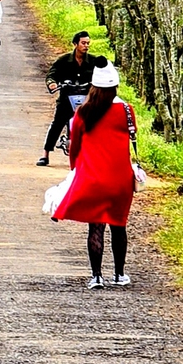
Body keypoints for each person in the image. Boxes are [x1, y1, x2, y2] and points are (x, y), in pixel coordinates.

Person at [51, 60, 137, 288]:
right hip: (120, 179)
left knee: (95, 228)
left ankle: (97, 276)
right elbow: (131, 136)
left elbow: (75, 147)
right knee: (119, 225)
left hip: (92, 178)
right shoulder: (127, 110)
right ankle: (119, 275)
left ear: (93, 86)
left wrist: (75, 171)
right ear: (115, 86)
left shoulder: (82, 113)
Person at [39, 30, 101, 166]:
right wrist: (52, 83)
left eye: (88, 43)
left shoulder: (93, 61)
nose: (86, 46)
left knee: (93, 125)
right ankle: (45, 154)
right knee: (57, 123)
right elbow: (52, 74)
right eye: (83, 43)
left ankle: (94, 155)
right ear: (75, 44)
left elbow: (102, 75)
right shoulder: (64, 60)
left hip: (86, 100)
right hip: (67, 98)